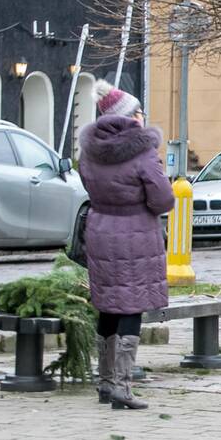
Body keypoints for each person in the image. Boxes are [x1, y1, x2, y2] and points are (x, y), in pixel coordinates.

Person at [78, 80, 174, 410]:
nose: (143, 117)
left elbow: (87, 184)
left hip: (100, 229)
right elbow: (162, 199)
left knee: (107, 304)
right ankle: (122, 385)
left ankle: (105, 383)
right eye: (139, 112)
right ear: (130, 116)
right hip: (136, 233)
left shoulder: (89, 151)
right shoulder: (142, 152)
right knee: (131, 305)